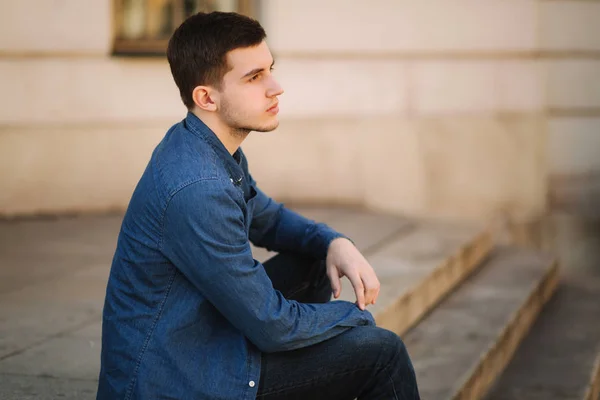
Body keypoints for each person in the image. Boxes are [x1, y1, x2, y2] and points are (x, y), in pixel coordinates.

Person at [96, 11, 420, 400]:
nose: (275, 88)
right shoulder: (199, 187)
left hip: (200, 336)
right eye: (254, 78)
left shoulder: (208, 145)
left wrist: (335, 242)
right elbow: (272, 324)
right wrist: (355, 317)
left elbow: (269, 219)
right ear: (206, 97)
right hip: (177, 378)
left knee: (314, 259)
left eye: (270, 69)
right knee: (382, 354)